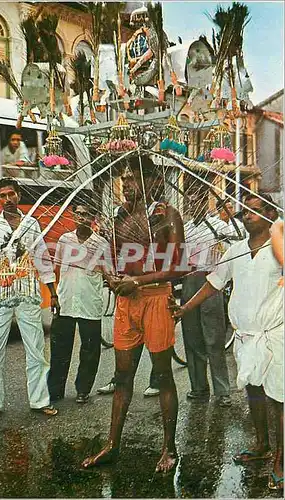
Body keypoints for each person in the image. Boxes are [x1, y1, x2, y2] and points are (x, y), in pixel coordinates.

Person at [169, 193, 283, 491]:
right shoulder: (235, 250)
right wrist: (184, 309)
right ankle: (262, 444)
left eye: (254, 212)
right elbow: (213, 284)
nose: (246, 216)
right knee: (255, 391)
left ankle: (281, 460)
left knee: (279, 398)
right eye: (244, 212)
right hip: (247, 337)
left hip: (276, 334)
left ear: (271, 213)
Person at [82, 155, 185, 473]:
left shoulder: (168, 216)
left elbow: (177, 267)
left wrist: (135, 281)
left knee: (164, 375)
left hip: (155, 301)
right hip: (127, 305)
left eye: (133, 177)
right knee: (122, 376)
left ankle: (169, 448)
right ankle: (112, 445)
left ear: (153, 182)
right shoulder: (119, 217)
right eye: (123, 178)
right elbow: (113, 259)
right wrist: (110, 277)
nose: (125, 184)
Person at [0, 178, 59, 421]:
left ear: (19, 195)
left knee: (37, 351)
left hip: (28, 295)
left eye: (11, 194)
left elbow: (42, 258)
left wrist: (53, 292)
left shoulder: (31, 224)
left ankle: (40, 400)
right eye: (2, 195)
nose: (8, 199)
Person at [48, 190, 110, 404]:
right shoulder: (65, 239)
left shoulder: (101, 243)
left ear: (93, 218)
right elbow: (57, 269)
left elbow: (108, 272)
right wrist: (54, 295)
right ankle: (55, 391)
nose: (81, 218)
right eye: (78, 214)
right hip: (66, 300)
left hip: (89, 301)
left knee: (90, 349)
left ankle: (83, 389)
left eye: (86, 214)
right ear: (74, 216)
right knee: (60, 349)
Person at [181, 194, 231, 407]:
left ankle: (222, 391)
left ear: (207, 202)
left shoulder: (219, 225)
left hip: (212, 280)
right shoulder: (185, 228)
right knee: (192, 336)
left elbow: (233, 246)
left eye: (199, 200)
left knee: (214, 338)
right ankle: (198, 387)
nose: (195, 204)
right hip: (189, 279)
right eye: (191, 201)